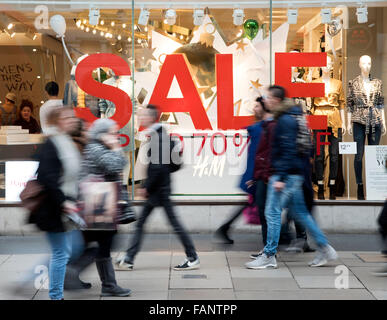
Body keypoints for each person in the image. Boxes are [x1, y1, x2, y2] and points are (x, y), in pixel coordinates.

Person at [245, 85, 338, 270]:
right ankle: (325, 248)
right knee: (301, 213)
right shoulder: (292, 116)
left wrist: (279, 176)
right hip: (295, 174)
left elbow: (287, 150)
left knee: (271, 212)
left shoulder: (285, 120)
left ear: (276, 100)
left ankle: (269, 255)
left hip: (285, 175)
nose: (265, 100)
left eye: (268, 97)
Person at [116, 104, 200, 271]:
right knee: (151, 224)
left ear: (150, 118)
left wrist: (146, 186)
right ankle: (129, 258)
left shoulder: (157, 138)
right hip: (162, 188)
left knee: (163, 224)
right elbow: (175, 165)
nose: (139, 118)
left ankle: (192, 257)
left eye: (142, 115)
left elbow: (158, 166)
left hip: (158, 190)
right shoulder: (163, 135)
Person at [28, 106, 84, 300]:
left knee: (70, 249)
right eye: (66, 117)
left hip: (65, 206)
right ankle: (55, 296)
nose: (71, 120)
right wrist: (64, 202)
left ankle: (47, 290)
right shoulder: (52, 144)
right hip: (54, 208)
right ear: (56, 121)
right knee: (61, 253)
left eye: (72, 117)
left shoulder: (66, 142)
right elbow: (48, 178)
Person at [78, 118, 131, 297]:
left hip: (102, 206)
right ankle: (106, 284)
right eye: (112, 132)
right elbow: (117, 164)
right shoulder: (95, 148)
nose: (116, 136)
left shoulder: (98, 147)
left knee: (102, 243)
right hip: (99, 206)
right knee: (103, 244)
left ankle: (105, 283)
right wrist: (116, 147)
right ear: (101, 134)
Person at [214, 97, 264, 244]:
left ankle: (225, 228)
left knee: (256, 203)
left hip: (255, 173)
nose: (254, 109)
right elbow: (255, 155)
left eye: (257, 106)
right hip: (256, 174)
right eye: (255, 106)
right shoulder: (260, 128)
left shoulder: (260, 127)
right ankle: (282, 233)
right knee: (261, 204)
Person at [248, 96, 275, 258]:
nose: (254, 109)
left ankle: (269, 251)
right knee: (266, 213)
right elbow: (259, 155)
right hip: (262, 176)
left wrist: (262, 175)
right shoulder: (264, 126)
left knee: (268, 214)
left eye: (258, 106)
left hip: (267, 177)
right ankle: (267, 249)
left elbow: (269, 154)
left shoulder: (269, 126)